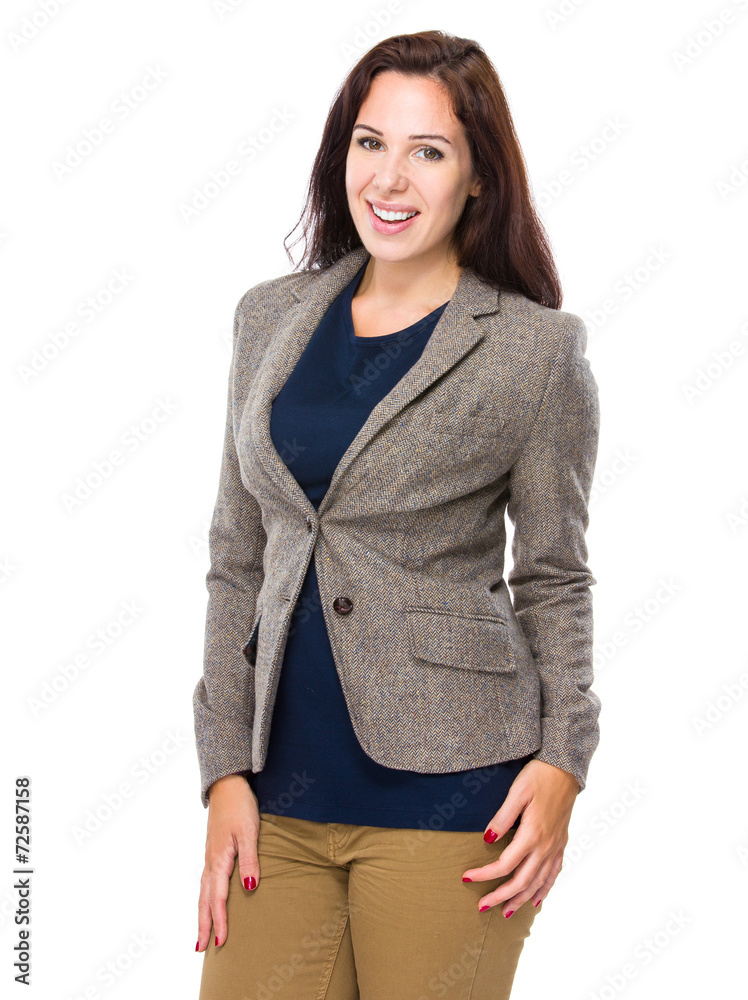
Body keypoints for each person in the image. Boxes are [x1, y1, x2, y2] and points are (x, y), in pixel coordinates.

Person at [193, 29, 601, 1000]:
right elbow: (236, 558)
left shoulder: (534, 351)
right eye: (370, 142)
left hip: (455, 800)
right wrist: (222, 771)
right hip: (276, 800)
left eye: (429, 151)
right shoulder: (267, 317)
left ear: (478, 175)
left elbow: (554, 575)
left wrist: (563, 763)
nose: (389, 177)